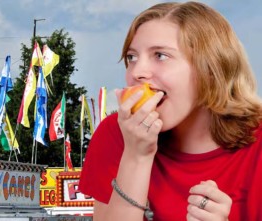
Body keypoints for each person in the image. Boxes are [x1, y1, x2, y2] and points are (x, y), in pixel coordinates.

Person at [79, 1, 262, 221]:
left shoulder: (257, 145)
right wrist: (136, 156)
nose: (137, 72)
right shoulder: (115, 133)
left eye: (160, 55)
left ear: (211, 69)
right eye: (131, 57)